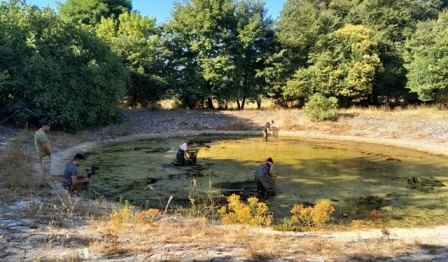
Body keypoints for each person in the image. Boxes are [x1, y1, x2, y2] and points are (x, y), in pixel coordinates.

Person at [34, 120, 51, 184]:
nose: (49, 127)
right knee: (46, 171)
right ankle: (46, 185)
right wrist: (49, 154)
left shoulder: (37, 132)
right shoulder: (42, 134)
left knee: (43, 170)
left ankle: (42, 184)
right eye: (48, 126)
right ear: (44, 126)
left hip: (40, 154)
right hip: (45, 155)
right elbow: (45, 146)